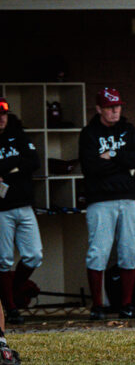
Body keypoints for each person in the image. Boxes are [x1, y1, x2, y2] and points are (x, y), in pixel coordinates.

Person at [78, 88, 135, 320]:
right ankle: (98, 306)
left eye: (117, 106)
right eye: (109, 107)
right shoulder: (89, 133)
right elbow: (91, 167)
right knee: (98, 251)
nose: (115, 111)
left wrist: (113, 157)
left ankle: (126, 305)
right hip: (100, 200)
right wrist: (123, 164)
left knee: (129, 250)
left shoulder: (128, 129)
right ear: (99, 109)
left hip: (127, 198)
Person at [0, 98, 42, 326]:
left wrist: (9, 168)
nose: (1, 118)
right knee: (3, 259)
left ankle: (13, 290)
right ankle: (10, 307)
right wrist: (15, 166)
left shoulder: (18, 133)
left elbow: (33, 161)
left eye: (3, 113)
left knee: (34, 254)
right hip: (2, 209)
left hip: (24, 204)